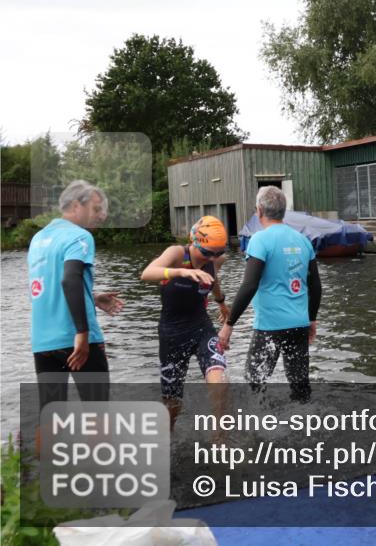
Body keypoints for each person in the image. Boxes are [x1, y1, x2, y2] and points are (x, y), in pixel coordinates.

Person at [28, 180, 124, 419]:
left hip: (43, 342)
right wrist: (81, 332)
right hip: (79, 341)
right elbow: (70, 279)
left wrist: (92, 296)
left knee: (49, 416)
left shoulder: (38, 239)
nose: (101, 216)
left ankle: (41, 458)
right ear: (74, 205)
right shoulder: (79, 236)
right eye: (96, 209)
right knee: (97, 416)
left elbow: (50, 286)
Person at [223, 186, 321, 402]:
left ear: (259, 211)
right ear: (283, 211)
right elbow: (316, 286)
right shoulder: (303, 240)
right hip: (298, 324)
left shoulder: (260, 240)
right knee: (300, 386)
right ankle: (303, 426)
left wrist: (229, 324)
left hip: (269, 326)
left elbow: (249, 285)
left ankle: (262, 427)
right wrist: (311, 319)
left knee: (254, 383)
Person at [140, 215, 230, 428]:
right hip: (172, 333)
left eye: (218, 252)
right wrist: (182, 271)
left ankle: (220, 439)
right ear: (193, 242)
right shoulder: (177, 254)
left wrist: (222, 303)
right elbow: (146, 273)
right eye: (207, 252)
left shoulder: (215, 260)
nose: (211, 257)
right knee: (172, 402)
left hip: (201, 327)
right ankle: (167, 440)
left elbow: (213, 278)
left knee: (219, 376)